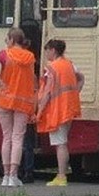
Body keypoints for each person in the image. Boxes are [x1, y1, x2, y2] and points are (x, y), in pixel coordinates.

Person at [0, 27, 37, 187]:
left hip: (5, 99)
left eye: (7, 39)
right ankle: (14, 175)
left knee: (6, 137)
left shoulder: (4, 54)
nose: (6, 42)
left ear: (12, 40)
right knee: (18, 137)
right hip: (22, 101)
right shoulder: (30, 57)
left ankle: (5, 176)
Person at [35, 38, 82, 187]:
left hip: (58, 110)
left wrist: (39, 112)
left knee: (60, 144)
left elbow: (47, 92)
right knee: (63, 141)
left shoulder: (52, 68)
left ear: (53, 50)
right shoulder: (69, 64)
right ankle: (61, 174)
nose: (46, 53)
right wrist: (75, 93)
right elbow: (81, 78)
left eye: (47, 50)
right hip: (69, 107)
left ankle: (61, 176)